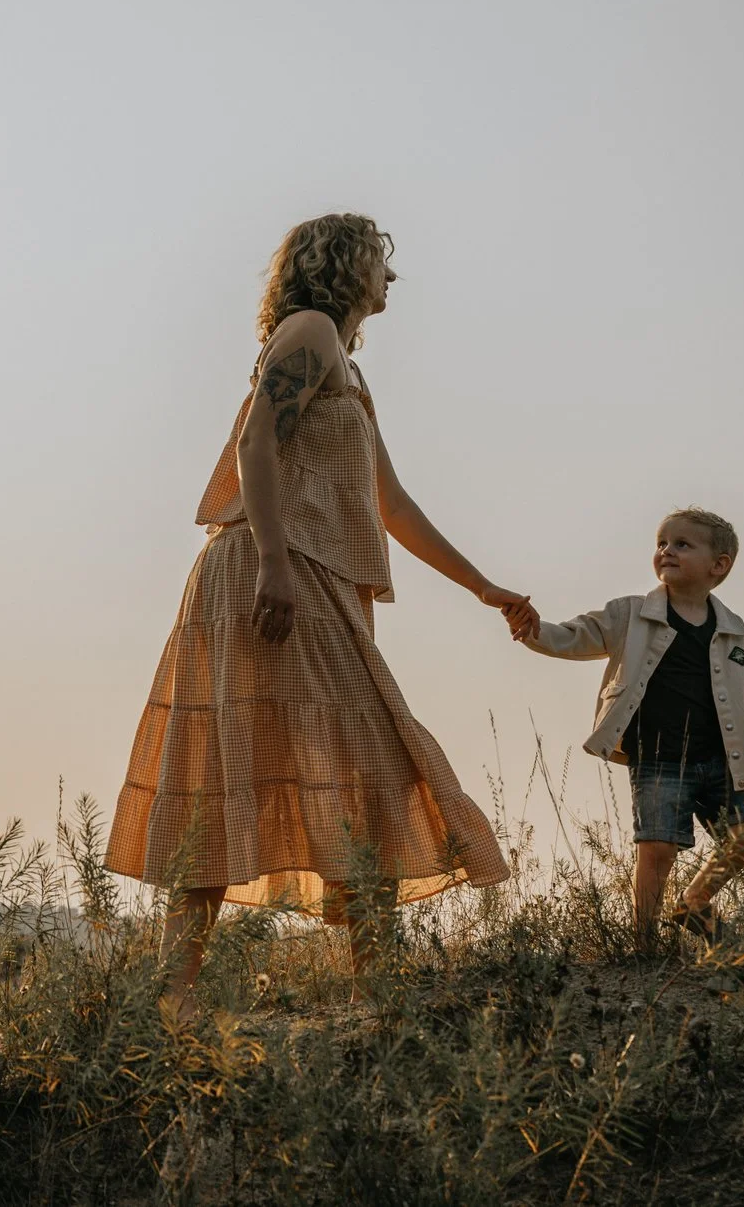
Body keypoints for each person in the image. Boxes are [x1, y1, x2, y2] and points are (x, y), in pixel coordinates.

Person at [108, 213, 527, 996]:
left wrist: (481, 585)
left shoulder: (345, 367)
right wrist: (272, 558)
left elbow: (391, 502)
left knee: (334, 764)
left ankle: (364, 988)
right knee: (270, 763)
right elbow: (255, 445)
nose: (391, 278)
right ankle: (183, 995)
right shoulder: (309, 332)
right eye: (380, 262)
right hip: (273, 569)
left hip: (309, 572)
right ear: (343, 265)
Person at [512, 508, 744, 948]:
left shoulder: (734, 632)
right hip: (658, 756)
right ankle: (643, 943)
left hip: (720, 758)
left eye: (683, 544)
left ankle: (695, 901)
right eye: (662, 543)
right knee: (657, 849)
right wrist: (533, 630)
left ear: (718, 565)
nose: (667, 551)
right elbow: (574, 635)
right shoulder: (630, 613)